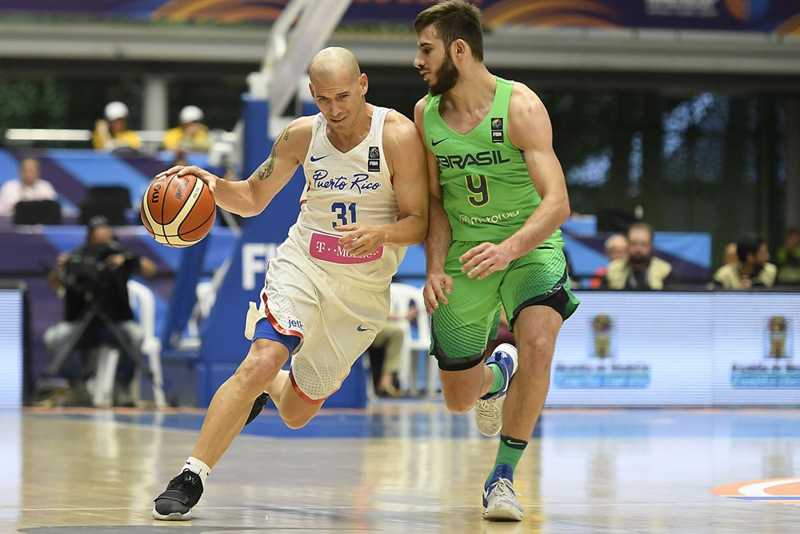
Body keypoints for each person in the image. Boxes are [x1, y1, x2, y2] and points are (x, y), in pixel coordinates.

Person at [152, 47, 429, 521]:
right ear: (312, 95)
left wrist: (381, 234)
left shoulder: (398, 135)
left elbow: (420, 222)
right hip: (304, 264)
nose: (336, 109)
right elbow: (254, 198)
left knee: (298, 414)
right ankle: (191, 474)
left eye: (344, 96)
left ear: (363, 85)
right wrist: (212, 184)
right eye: (324, 99)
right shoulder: (302, 135)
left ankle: (274, 388)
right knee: (262, 358)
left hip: (361, 293)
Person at [413, 1, 580, 521]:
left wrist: (510, 248)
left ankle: (502, 477)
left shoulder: (522, 106)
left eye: (426, 49)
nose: (418, 61)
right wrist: (436, 266)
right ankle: (495, 376)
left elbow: (558, 203)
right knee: (459, 399)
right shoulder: (426, 115)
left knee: (538, 344)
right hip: (463, 254)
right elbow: (436, 203)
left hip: (529, 247)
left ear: (458, 50)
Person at [41, 216, 157, 406]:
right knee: (53, 338)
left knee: (136, 336)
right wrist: (61, 268)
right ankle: (79, 388)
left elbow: (150, 270)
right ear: (89, 239)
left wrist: (128, 258)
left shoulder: (121, 257)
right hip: (81, 325)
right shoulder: (77, 258)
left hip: (115, 324)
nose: (103, 245)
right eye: (98, 241)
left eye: (107, 240)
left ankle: (121, 386)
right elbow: (53, 285)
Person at [603, 222, 673, 290]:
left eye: (643, 244)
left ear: (651, 246)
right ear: (627, 244)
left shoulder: (665, 271)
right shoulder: (612, 270)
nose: (638, 249)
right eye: (634, 243)